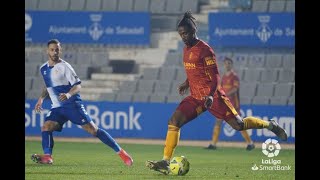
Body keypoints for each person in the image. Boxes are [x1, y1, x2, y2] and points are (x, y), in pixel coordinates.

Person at [145, 11, 287, 175]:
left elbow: (215, 77)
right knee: (174, 121)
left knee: (238, 125)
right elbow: (195, 72)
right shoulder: (186, 50)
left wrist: (211, 95)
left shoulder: (205, 50)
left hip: (213, 96)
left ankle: (270, 125)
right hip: (196, 97)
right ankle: (166, 161)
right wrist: (186, 83)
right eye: (180, 34)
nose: (183, 37)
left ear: (193, 31)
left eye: (185, 33)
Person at [30, 39, 133, 166]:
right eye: (52, 49)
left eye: (57, 49)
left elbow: (78, 86)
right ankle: (47, 157)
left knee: (93, 130)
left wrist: (68, 94)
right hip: (57, 107)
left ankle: (122, 153)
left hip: (72, 105)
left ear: (60, 50)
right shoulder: (43, 68)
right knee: (46, 126)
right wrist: (41, 99)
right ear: (47, 51)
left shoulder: (65, 66)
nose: (55, 52)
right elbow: (47, 87)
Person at [205, 57, 255, 151]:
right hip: (224, 104)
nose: (227, 65)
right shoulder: (223, 77)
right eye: (225, 63)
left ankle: (250, 143)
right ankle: (213, 144)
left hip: (233, 104)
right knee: (218, 121)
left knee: (238, 124)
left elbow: (235, 89)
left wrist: (225, 95)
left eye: (228, 63)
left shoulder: (234, 76)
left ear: (231, 65)